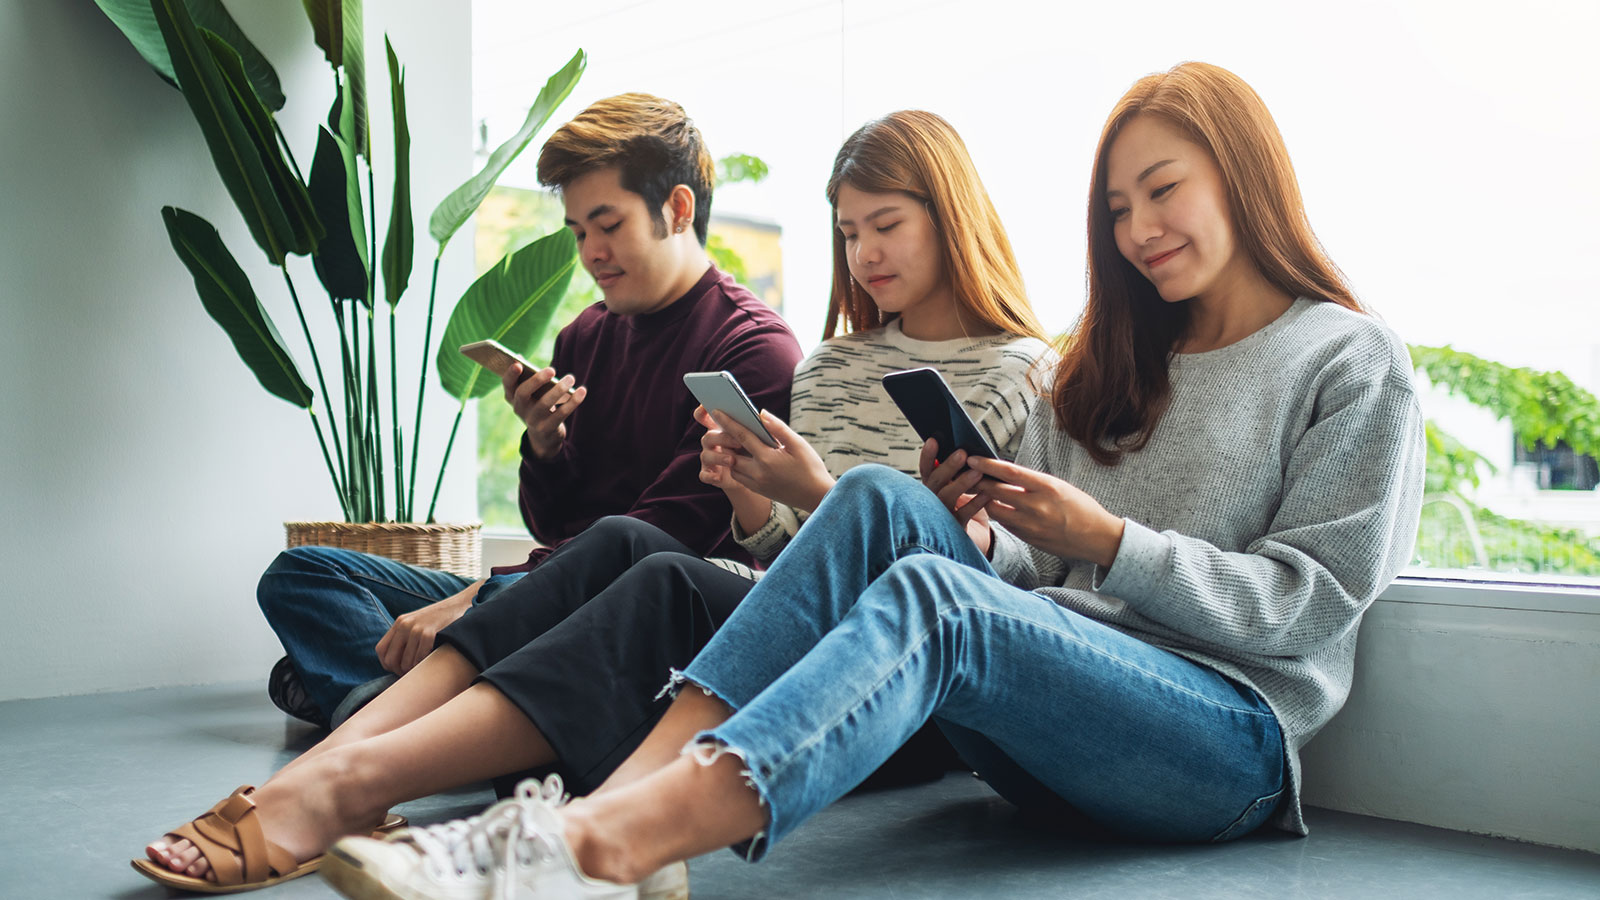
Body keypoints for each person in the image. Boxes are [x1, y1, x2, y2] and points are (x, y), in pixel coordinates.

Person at [321, 61, 1428, 900]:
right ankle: (622, 807)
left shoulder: (1348, 360)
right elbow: (1034, 561)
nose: (1136, 229)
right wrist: (995, 534)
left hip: (1220, 743)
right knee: (878, 500)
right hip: (1043, 720)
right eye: (1115, 208)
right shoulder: (1112, 357)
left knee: (932, 598)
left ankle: (595, 846)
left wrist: (1106, 543)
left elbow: (1309, 606)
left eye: (1161, 191)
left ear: (1241, 174)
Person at [135, 110, 1052, 894]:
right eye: (849, 233)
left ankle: (360, 760)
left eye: (884, 225)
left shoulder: (1023, 372)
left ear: (950, 217)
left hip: (902, 676)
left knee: (627, 560)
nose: (865, 253)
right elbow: (777, 556)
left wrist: (928, 518)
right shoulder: (829, 364)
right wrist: (742, 493)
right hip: (745, 616)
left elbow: (1025, 597)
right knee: (603, 558)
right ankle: (349, 771)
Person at [254, 93, 803, 731]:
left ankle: (381, 708)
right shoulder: (584, 336)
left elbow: (660, 537)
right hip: (547, 593)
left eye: (609, 224)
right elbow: (553, 522)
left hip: (644, 608)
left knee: (524, 593)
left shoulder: (753, 348)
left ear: (677, 209)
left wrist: (475, 600)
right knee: (302, 572)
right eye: (578, 232)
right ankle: (420, 714)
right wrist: (545, 445)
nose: (591, 251)